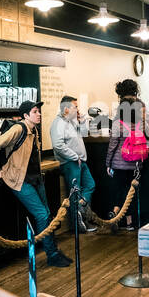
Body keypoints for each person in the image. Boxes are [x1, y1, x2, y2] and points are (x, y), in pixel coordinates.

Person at [0, 100, 73, 267]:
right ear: (25, 116)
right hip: (19, 180)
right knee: (41, 215)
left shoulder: (34, 131)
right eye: (34, 111)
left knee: (47, 215)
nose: (39, 114)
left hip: (35, 179)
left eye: (38, 111)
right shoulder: (19, 129)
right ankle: (52, 254)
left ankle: (53, 251)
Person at [105, 78, 148, 233]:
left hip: (119, 162)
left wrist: (108, 163)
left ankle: (115, 215)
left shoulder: (117, 124)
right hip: (136, 161)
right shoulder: (139, 123)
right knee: (130, 192)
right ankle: (130, 222)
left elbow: (112, 146)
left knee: (118, 190)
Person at [51, 95, 96, 234]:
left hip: (81, 161)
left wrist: (82, 122)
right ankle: (77, 225)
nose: (77, 109)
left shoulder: (71, 121)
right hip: (70, 162)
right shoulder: (58, 124)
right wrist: (74, 156)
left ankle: (81, 211)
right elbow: (58, 146)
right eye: (75, 106)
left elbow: (83, 134)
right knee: (75, 192)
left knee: (90, 185)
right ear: (66, 109)